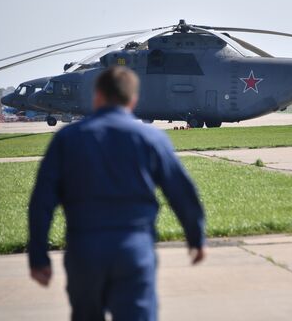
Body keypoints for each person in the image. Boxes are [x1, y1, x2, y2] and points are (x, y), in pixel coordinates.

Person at [28, 66, 206, 321]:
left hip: (84, 252)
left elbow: (41, 203)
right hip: (133, 251)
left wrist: (37, 255)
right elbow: (182, 191)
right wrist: (196, 237)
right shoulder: (152, 138)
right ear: (133, 100)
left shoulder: (67, 139)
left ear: (97, 96)